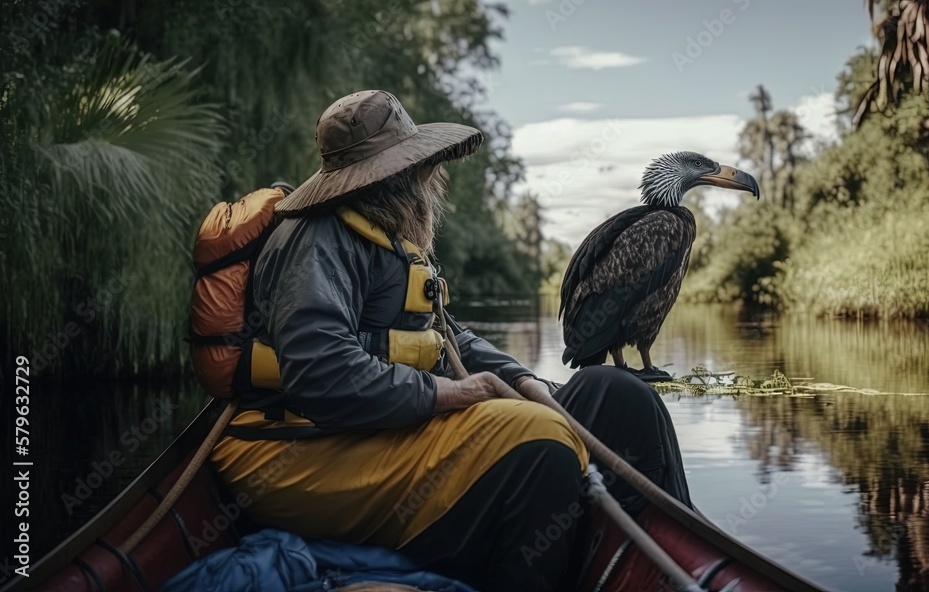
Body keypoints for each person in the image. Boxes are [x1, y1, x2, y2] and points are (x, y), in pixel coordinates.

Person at [210, 90, 692, 592]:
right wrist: (458, 393)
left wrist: (526, 380)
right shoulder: (318, 241)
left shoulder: (387, 236)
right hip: (303, 453)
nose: (437, 177)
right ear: (401, 176)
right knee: (540, 443)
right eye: (426, 167)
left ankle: (680, 559)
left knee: (616, 395)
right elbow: (323, 375)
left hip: (375, 434)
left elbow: (447, 336)